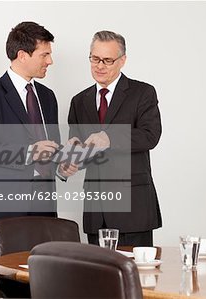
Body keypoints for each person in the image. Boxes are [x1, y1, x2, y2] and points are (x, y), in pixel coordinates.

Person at [0, 21, 77, 260]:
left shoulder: (48, 97)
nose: (50, 61)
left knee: (45, 283)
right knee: (6, 286)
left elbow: (52, 149)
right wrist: (28, 153)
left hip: (45, 211)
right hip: (5, 210)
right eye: (44, 54)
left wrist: (63, 167)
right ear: (22, 55)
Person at [68, 30, 162, 247]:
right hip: (96, 211)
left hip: (133, 208)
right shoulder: (79, 101)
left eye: (107, 60)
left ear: (122, 61)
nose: (99, 66)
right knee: (96, 278)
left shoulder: (143, 93)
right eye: (94, 58)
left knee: (138, 278)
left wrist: (109, 138)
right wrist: (71, 156)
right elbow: (80, 147)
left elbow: (150, 136)